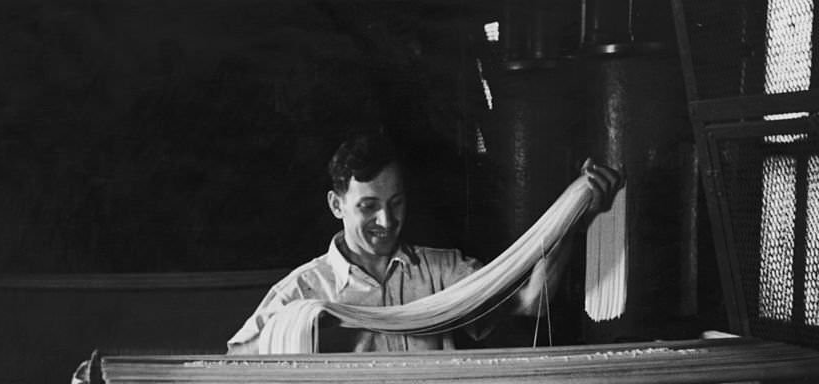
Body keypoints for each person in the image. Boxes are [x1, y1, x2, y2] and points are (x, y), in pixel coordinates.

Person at [227, 131, 622, 354]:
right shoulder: (303, 290)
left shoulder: (443, 272)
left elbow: (532, 301)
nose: (386, 221)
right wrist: (310, 330)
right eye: (368, 207)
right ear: (336, 205)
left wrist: (576, 218)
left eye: (396, 203)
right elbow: (235, 360)